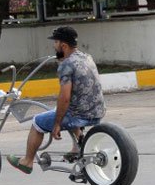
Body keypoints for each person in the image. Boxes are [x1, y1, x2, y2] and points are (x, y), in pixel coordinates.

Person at [6, 26, 106, 174]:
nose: (54, 46)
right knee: (65, 110)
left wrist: (57, 124)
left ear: (63, 45)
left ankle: (27, 162)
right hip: (97, 111)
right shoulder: (86, 57)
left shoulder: (66, 65)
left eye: (56, 42)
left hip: (79, 114)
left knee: (37, 122)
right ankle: (77, 147)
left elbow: (64, 98)